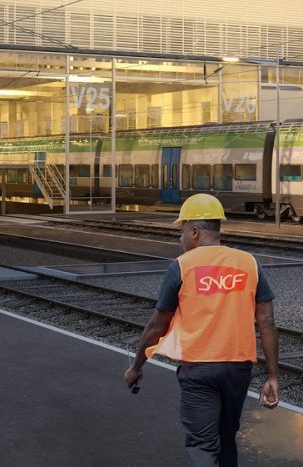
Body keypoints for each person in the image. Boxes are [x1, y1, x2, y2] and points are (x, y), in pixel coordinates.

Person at [124, 193, 279, 466]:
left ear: (195, 231)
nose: (180, 238)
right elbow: (266, 322)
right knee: (227, 438)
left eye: (182, 231)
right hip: (237, 370)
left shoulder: (182, 266)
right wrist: (273, 376)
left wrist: (136, 367)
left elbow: (157, 325)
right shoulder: (249, 263)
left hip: (199, 370)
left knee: (203, 446)